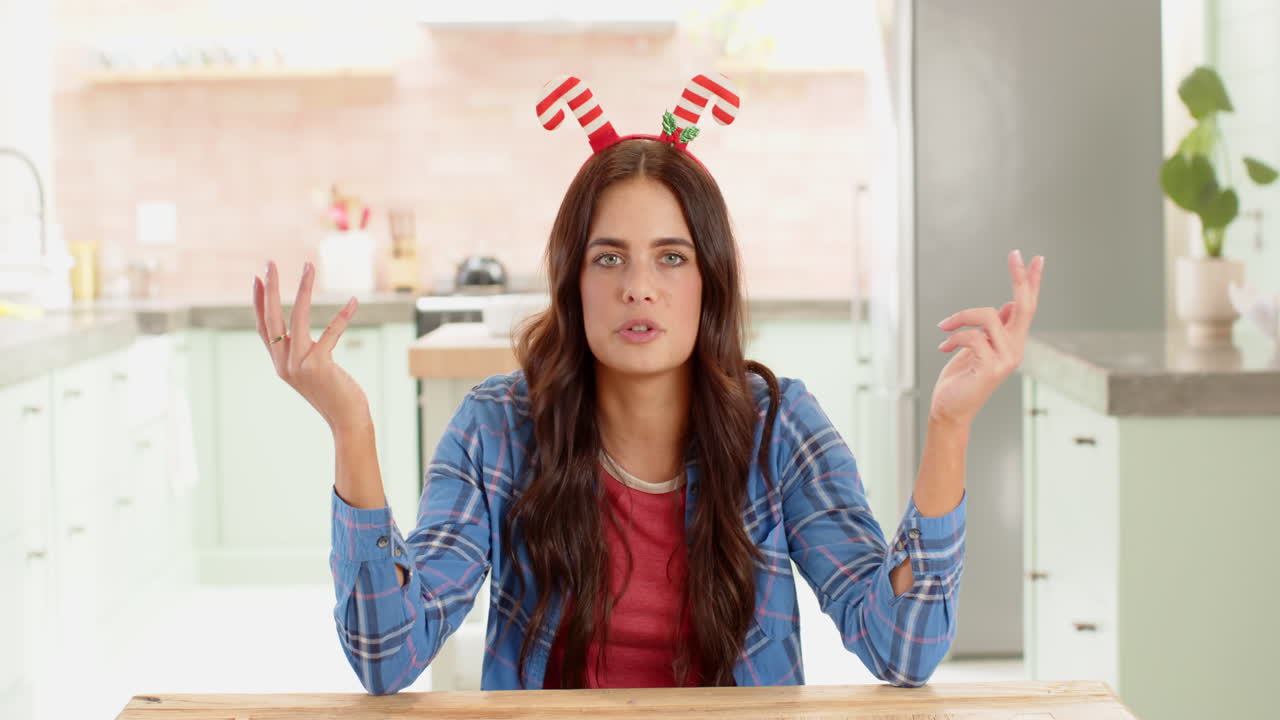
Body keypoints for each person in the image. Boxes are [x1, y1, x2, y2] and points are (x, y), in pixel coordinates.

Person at [250, 73, 1044, 694]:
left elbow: (901, 647)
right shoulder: (498, 427)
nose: (639, 287)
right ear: (573, 284)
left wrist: (950, 426)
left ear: (710, 282)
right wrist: (350, 428)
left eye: (671, 257)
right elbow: (387, 658)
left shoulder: (780, 427)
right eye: (609, 257)